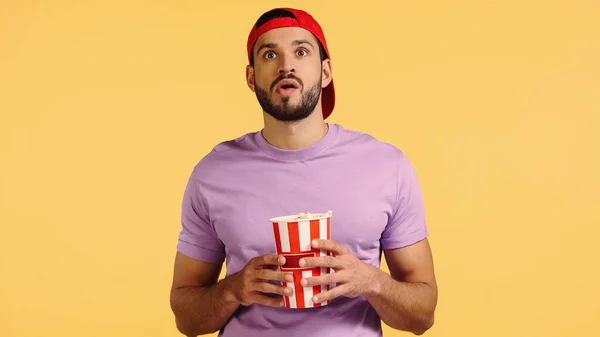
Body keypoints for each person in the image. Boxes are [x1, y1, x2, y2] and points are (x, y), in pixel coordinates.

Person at [169, 7, 438, 337]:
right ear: (252, 77)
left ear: (325, 72)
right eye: (270, 54)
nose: (286, 65)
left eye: (301, 51)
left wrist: (370, 281)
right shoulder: (212, 174)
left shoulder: (387, 166)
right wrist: (233, 289)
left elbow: (422, 315)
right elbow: (187, 319)